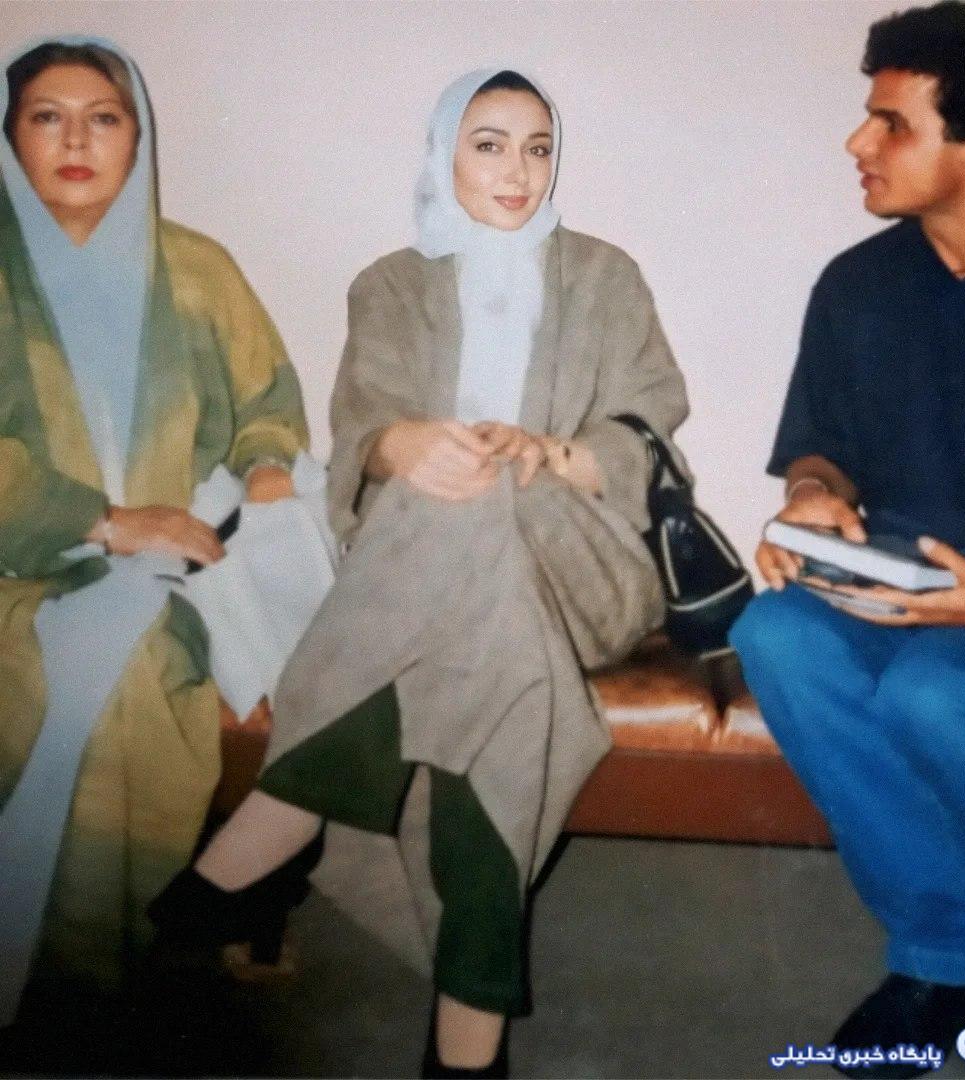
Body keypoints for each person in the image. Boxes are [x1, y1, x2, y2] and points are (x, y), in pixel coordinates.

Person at [149, 67, 689, 1079]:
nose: (518, 170)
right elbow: (366, 427)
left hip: (581, 565)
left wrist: (546, 454)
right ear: (444, 155)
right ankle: (466, 1046)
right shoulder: (391, 284)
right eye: (489, 144)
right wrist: (408, 445)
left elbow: (649, 428)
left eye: (537, 147)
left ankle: (280, 819)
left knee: (478, 498)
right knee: (486, 641)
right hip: (441, 590)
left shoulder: (604, 276)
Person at [730, 3, 965, 1077]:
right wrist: (812, 497)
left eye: (892, 122)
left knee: (944, 693)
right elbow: (823, 448)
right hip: (899, 591)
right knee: (775, 634)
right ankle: (955, 954)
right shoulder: (858, 284)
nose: (857, 141)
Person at [0, 36, 309, 1026]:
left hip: (189, 562)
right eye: (47, 117)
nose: (76, 142)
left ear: (138, 139)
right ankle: (77, 975)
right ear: (9, 136)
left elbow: (268, 405)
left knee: (170, 649)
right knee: (100, 666)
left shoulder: (197, 269)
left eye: (104, 118)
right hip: (25, 564)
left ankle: (125, 948)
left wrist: (267, 468)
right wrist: (105, 521)